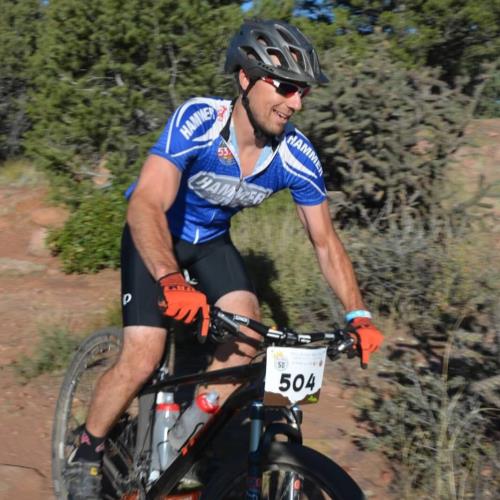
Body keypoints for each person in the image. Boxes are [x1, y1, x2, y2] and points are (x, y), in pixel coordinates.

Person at [66, 19, 384, 499]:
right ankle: (87, 450)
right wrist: (170, 278)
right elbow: (146, 202)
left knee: (248, 335)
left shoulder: (295, 155)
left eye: (302, 92)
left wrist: (357, 313)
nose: (295, 103)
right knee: (144, 353)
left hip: (210, 242)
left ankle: (185, 441)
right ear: (245, 78)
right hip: (156, 234)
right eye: (285, 87)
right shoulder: (201, 120)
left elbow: (325, 241)